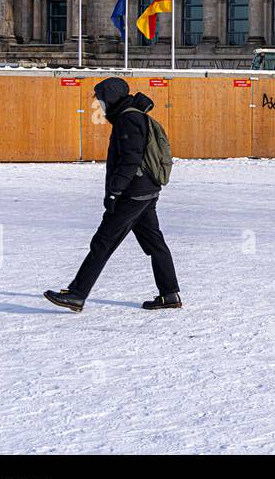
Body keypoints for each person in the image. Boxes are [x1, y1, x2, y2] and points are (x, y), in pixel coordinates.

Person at [44, 77, 181, 313]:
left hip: (133, 193)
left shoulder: (128, 119)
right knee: (155, 244)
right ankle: (169, 294)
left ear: (111, 96)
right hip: (145, 191)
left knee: (103, 243)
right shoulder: (131, 116)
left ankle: (77, 295)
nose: (100, 103)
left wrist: (115, 191)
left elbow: (131, 158)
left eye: (101, 98)